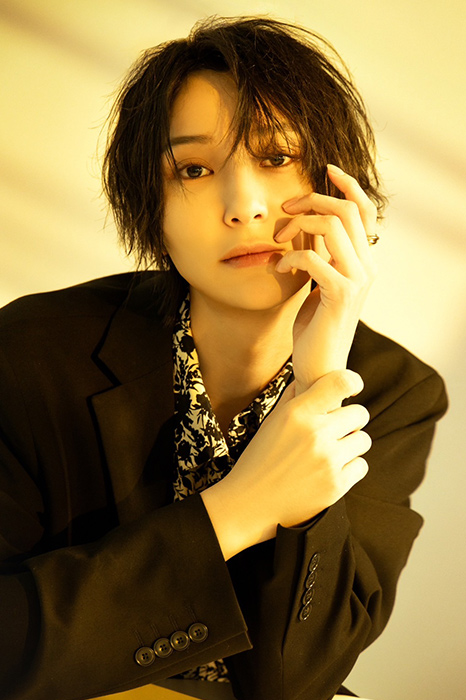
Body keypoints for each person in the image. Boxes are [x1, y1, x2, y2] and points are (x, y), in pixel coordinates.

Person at [0, 16, 447, 700]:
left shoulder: (396, 392)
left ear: (341, 188)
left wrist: (317, 388)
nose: (243, 207)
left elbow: (299, 681)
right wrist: (238, 509)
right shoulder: (33, 350)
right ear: (151, 211)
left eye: (277, 156)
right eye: (194, 169)